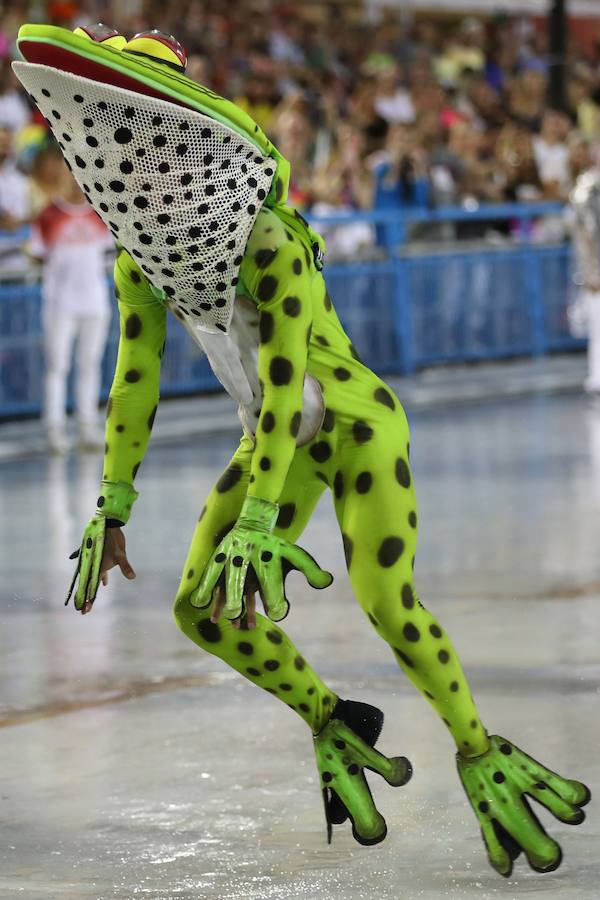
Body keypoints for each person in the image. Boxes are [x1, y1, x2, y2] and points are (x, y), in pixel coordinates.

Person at [16, 21, 591, 879]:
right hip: (272, 436)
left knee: (387, 603)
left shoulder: (272, 240)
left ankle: (479, 750)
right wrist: (113, 502)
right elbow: (133, 382)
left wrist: (257, 516)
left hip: (352, 421)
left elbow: (289, 383)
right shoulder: (140, 265)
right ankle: (334, 719)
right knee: (200, 609)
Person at [29, 164, 113, 453]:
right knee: (58, 365)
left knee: (90, 364)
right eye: (71, 176)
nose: (77, 183)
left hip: (95, 302)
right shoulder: (49, 215)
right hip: (60, 304)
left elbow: (109, 255)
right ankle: (54, 426)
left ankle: (87, 425)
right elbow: (36, 253)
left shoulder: (100, 214)